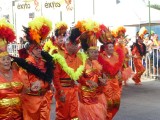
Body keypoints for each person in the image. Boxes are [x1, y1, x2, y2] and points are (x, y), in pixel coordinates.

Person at [13, 16, 54, 120]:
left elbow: (48, 77)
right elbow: (23, 84)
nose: (40, 50)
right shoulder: (25, 64)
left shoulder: (44, 62)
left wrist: (50, 85)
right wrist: (30, 87)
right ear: (30, 51)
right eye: (36, 49)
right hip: (31, 102)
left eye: (40, 48)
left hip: (45, 100)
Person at [51, 27, 87, 120]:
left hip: (74, 90)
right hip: (64, 91)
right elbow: (56, 78)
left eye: (77, 45)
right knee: (62, 115)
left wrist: (87, 82)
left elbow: (80, 76)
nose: (77, 47)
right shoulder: (59, 57)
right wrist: (60, 92)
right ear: (68, 44)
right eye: (75, 44)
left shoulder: (79, 58)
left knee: (74, 115)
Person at [77, 22, 107, 120]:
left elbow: (99, 76)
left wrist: (102, 80)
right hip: (85, 94)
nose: (96, 54)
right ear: (87, 52)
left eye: (96, 52)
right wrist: (87, 81)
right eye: (93, 52)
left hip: (95, 93)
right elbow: (78, 77)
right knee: (89, 115)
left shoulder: (96, 63)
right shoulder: (82, 63)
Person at [98, 25, 125, 120]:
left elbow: (119, 68)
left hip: (115, 83)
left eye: (112, 46)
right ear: (105, 48)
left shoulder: (117, 56)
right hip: (106, 83)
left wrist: (120, 73)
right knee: (108, 103)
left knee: (116, 103)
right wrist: (101, 77)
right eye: (109, 47)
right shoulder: (100, 57)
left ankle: (109, 117)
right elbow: (97, 69)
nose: (111, 48)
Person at [0, 18, 23, 120]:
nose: (6, 61)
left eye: (8, 58)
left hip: (19, 116)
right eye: (3, 59)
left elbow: (24, 90)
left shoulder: (16, 71)